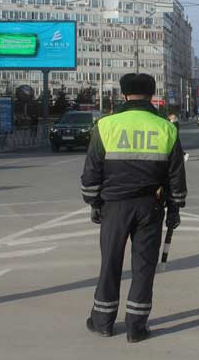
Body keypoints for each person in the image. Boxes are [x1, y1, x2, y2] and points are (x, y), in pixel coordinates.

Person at [80, 73, 187, 343]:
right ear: (151, 95)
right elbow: (176, 176)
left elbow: (91, 172)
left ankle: (103, 321)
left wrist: (94, 202)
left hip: (114, 206)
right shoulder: (166, 128)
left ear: (124, 94)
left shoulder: (106, 125)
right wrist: (175, 208)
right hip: (150, 206)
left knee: (111, 263)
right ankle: (136, 327)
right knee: (144, 266)